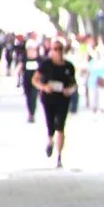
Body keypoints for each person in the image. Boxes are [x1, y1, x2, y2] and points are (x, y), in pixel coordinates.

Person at [34, 37, 78, 168]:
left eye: (60, 49)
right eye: (55, 49)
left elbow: (74, 84)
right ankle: (49, 140)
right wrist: (44, 87)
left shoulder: (69, 66)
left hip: (63, 99)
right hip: (48, 98)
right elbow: (35, 80)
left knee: (60, 126)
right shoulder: (46, 64)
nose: (58, 52)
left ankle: (59, 156)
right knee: (50, 124)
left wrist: (70, 90)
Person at [86, 44, 104, 114]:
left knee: (102, 98)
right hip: (92, 81)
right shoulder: (92, 61)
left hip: (102, 81)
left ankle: (102, 112)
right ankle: (94, 112)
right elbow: (88, 71)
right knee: (93, 99)